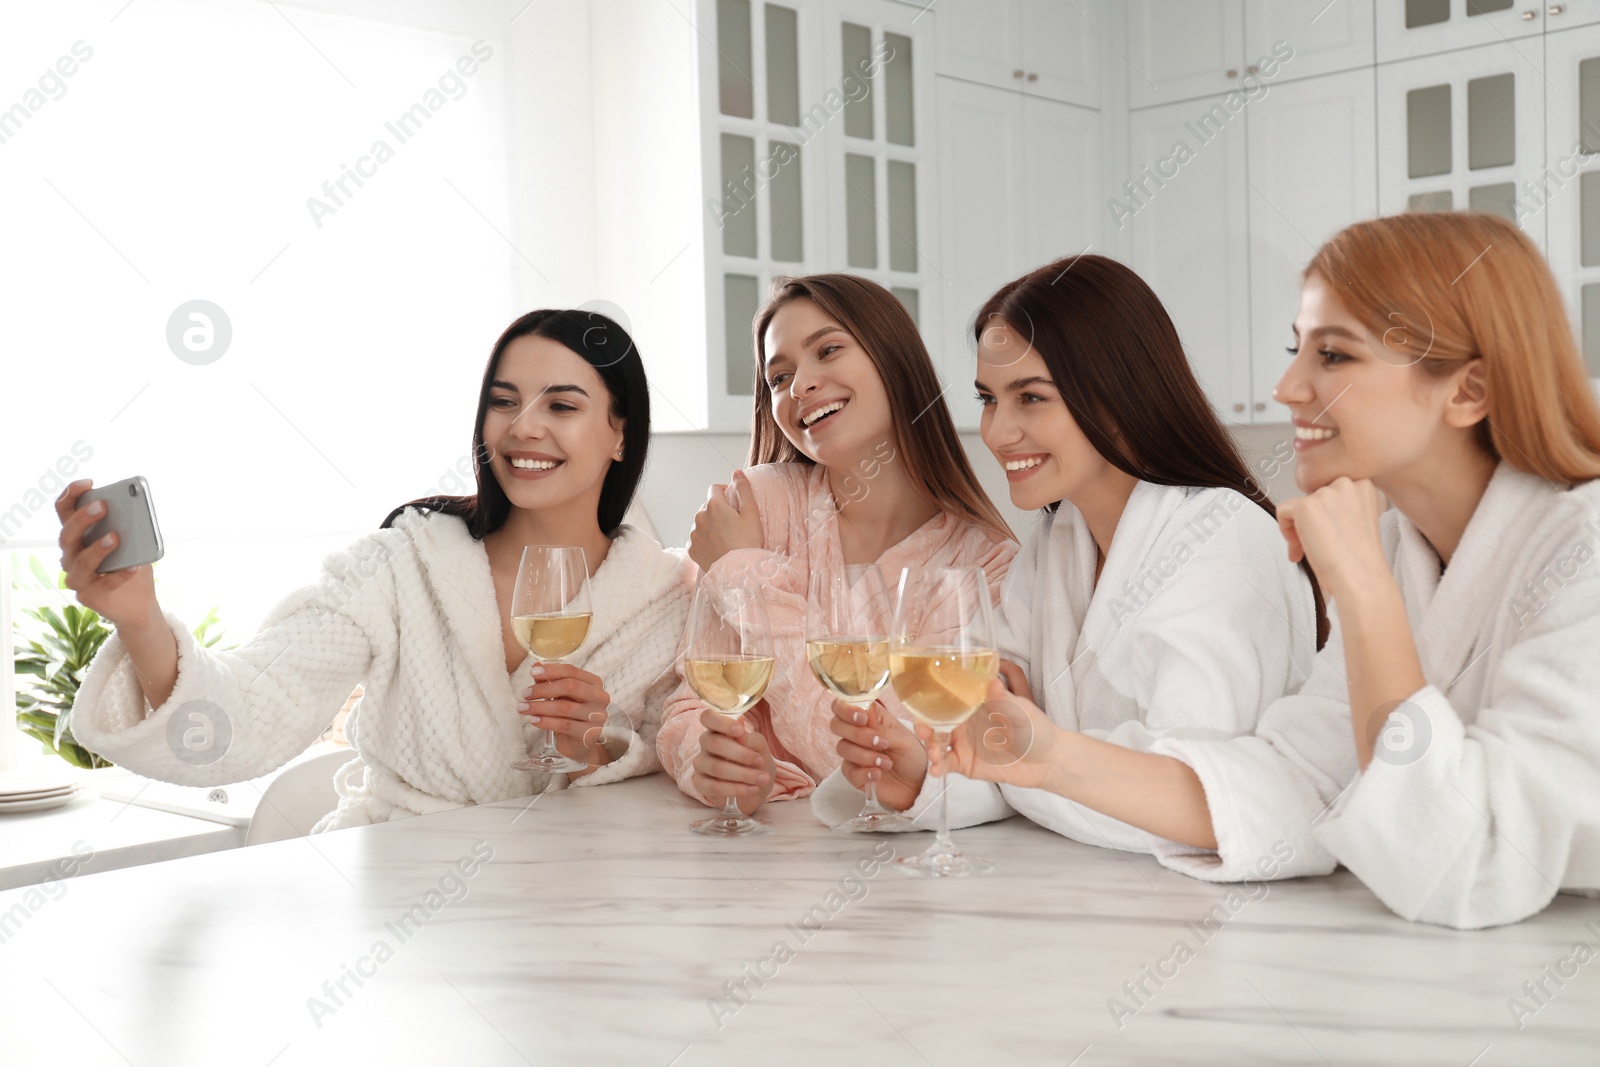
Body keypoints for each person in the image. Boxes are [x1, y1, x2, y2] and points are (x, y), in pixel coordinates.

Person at [917, 213, 1600, 929]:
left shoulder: (1577, 551)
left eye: (1333, 356)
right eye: (1296, 349)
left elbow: (1467, 864)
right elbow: (1300, 785)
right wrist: (1049, 757)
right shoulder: (1401, 546)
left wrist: (1362, 591)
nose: (1287, 387)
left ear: (1468, 391)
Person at [63, 309, 693, 830]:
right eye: (504, 402)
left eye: (561, 406)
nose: (523, 428)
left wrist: (596, 751)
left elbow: (686, 787)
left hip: (577, 905)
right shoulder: (401, 567)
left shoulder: (663, 601)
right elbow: (253, 707)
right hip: (399, 888)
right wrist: (140, 619)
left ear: (620, 433)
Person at [813, 254, 1327, 849]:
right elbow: (993, 737)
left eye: (1031, 397)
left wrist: (1035, 764)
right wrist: (924, 776)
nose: (998, 432)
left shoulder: (1222, 538)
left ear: (1116, 395)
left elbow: (1188, 801)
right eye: (988, 398)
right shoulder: (1058, 543)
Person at [657, 274, 1017, 813]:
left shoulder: (982, 565)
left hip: (896, 864)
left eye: (828, 350)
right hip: (761, 858)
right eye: (779, 377)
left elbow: (881, 759)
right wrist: (705, 762)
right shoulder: (759, 504)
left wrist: (742, 574)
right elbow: (694, 700)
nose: (800, 385)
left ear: (894, 360)